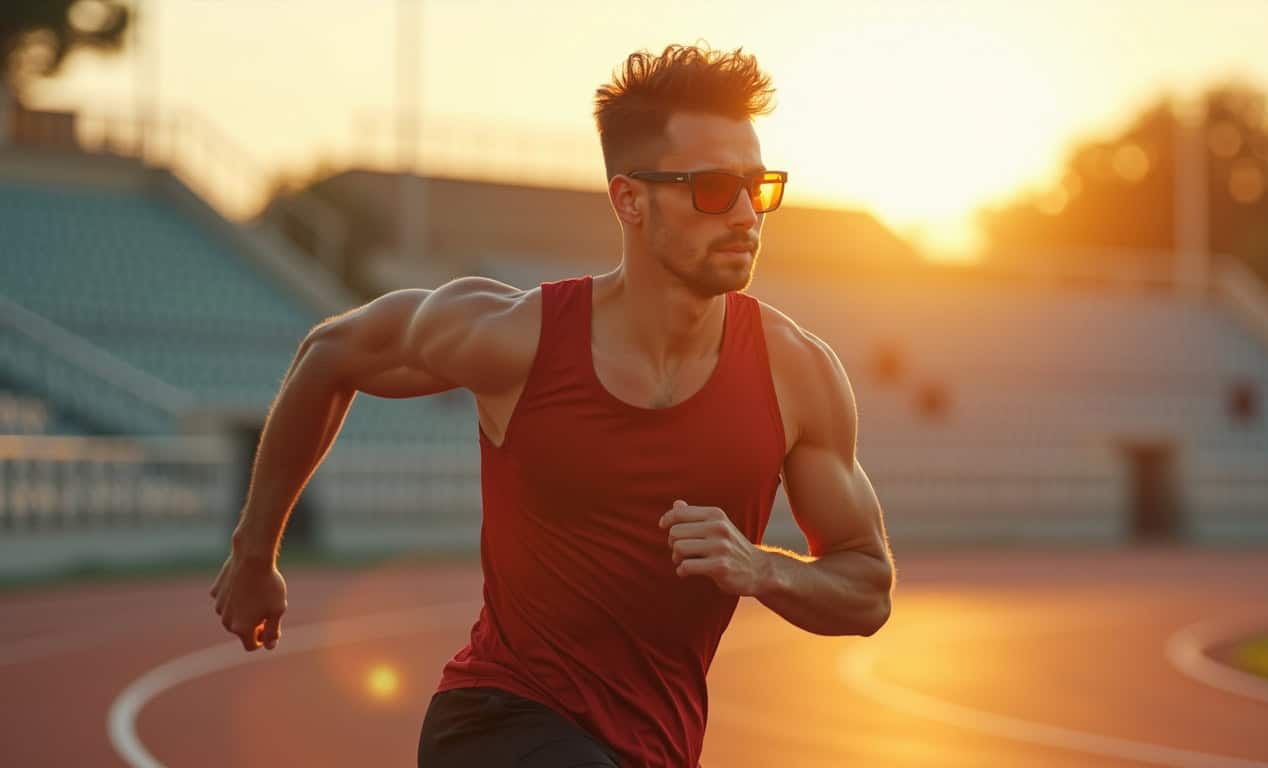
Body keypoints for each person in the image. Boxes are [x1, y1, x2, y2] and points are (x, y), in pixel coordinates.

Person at [210, 42, 894, 768]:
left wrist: (765, 570)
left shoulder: (798, 374)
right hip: (496, 720)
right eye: (714, 189)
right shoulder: (517, 338)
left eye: (758, 188)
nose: (746, 216)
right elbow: (330, 354)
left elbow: (868, 587)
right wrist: (254, 554)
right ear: (630, 199)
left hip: (654, 748)